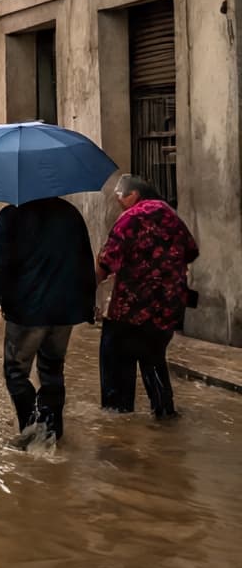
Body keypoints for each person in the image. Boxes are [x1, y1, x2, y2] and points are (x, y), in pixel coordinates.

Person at [0, 194, 96, 444]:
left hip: (27, 311)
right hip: (64, 309)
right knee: (52, 369)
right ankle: (52, 427)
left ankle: (31, 429)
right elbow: (85, 259)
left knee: (16, 372)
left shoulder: (11, 215)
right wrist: (87, 305)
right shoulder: (70, 213)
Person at [96, 174, 198, 419]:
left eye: (121, 196)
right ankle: (164, 412)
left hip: (133, 308)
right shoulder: (171, 215)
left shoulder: (130, 218)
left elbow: (107, 261)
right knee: (154, 357)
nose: (118, 201)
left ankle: (118, 416)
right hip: (170, 305)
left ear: (134, 195)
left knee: (118, 359)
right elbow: (192, 251)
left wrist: (88, 288)